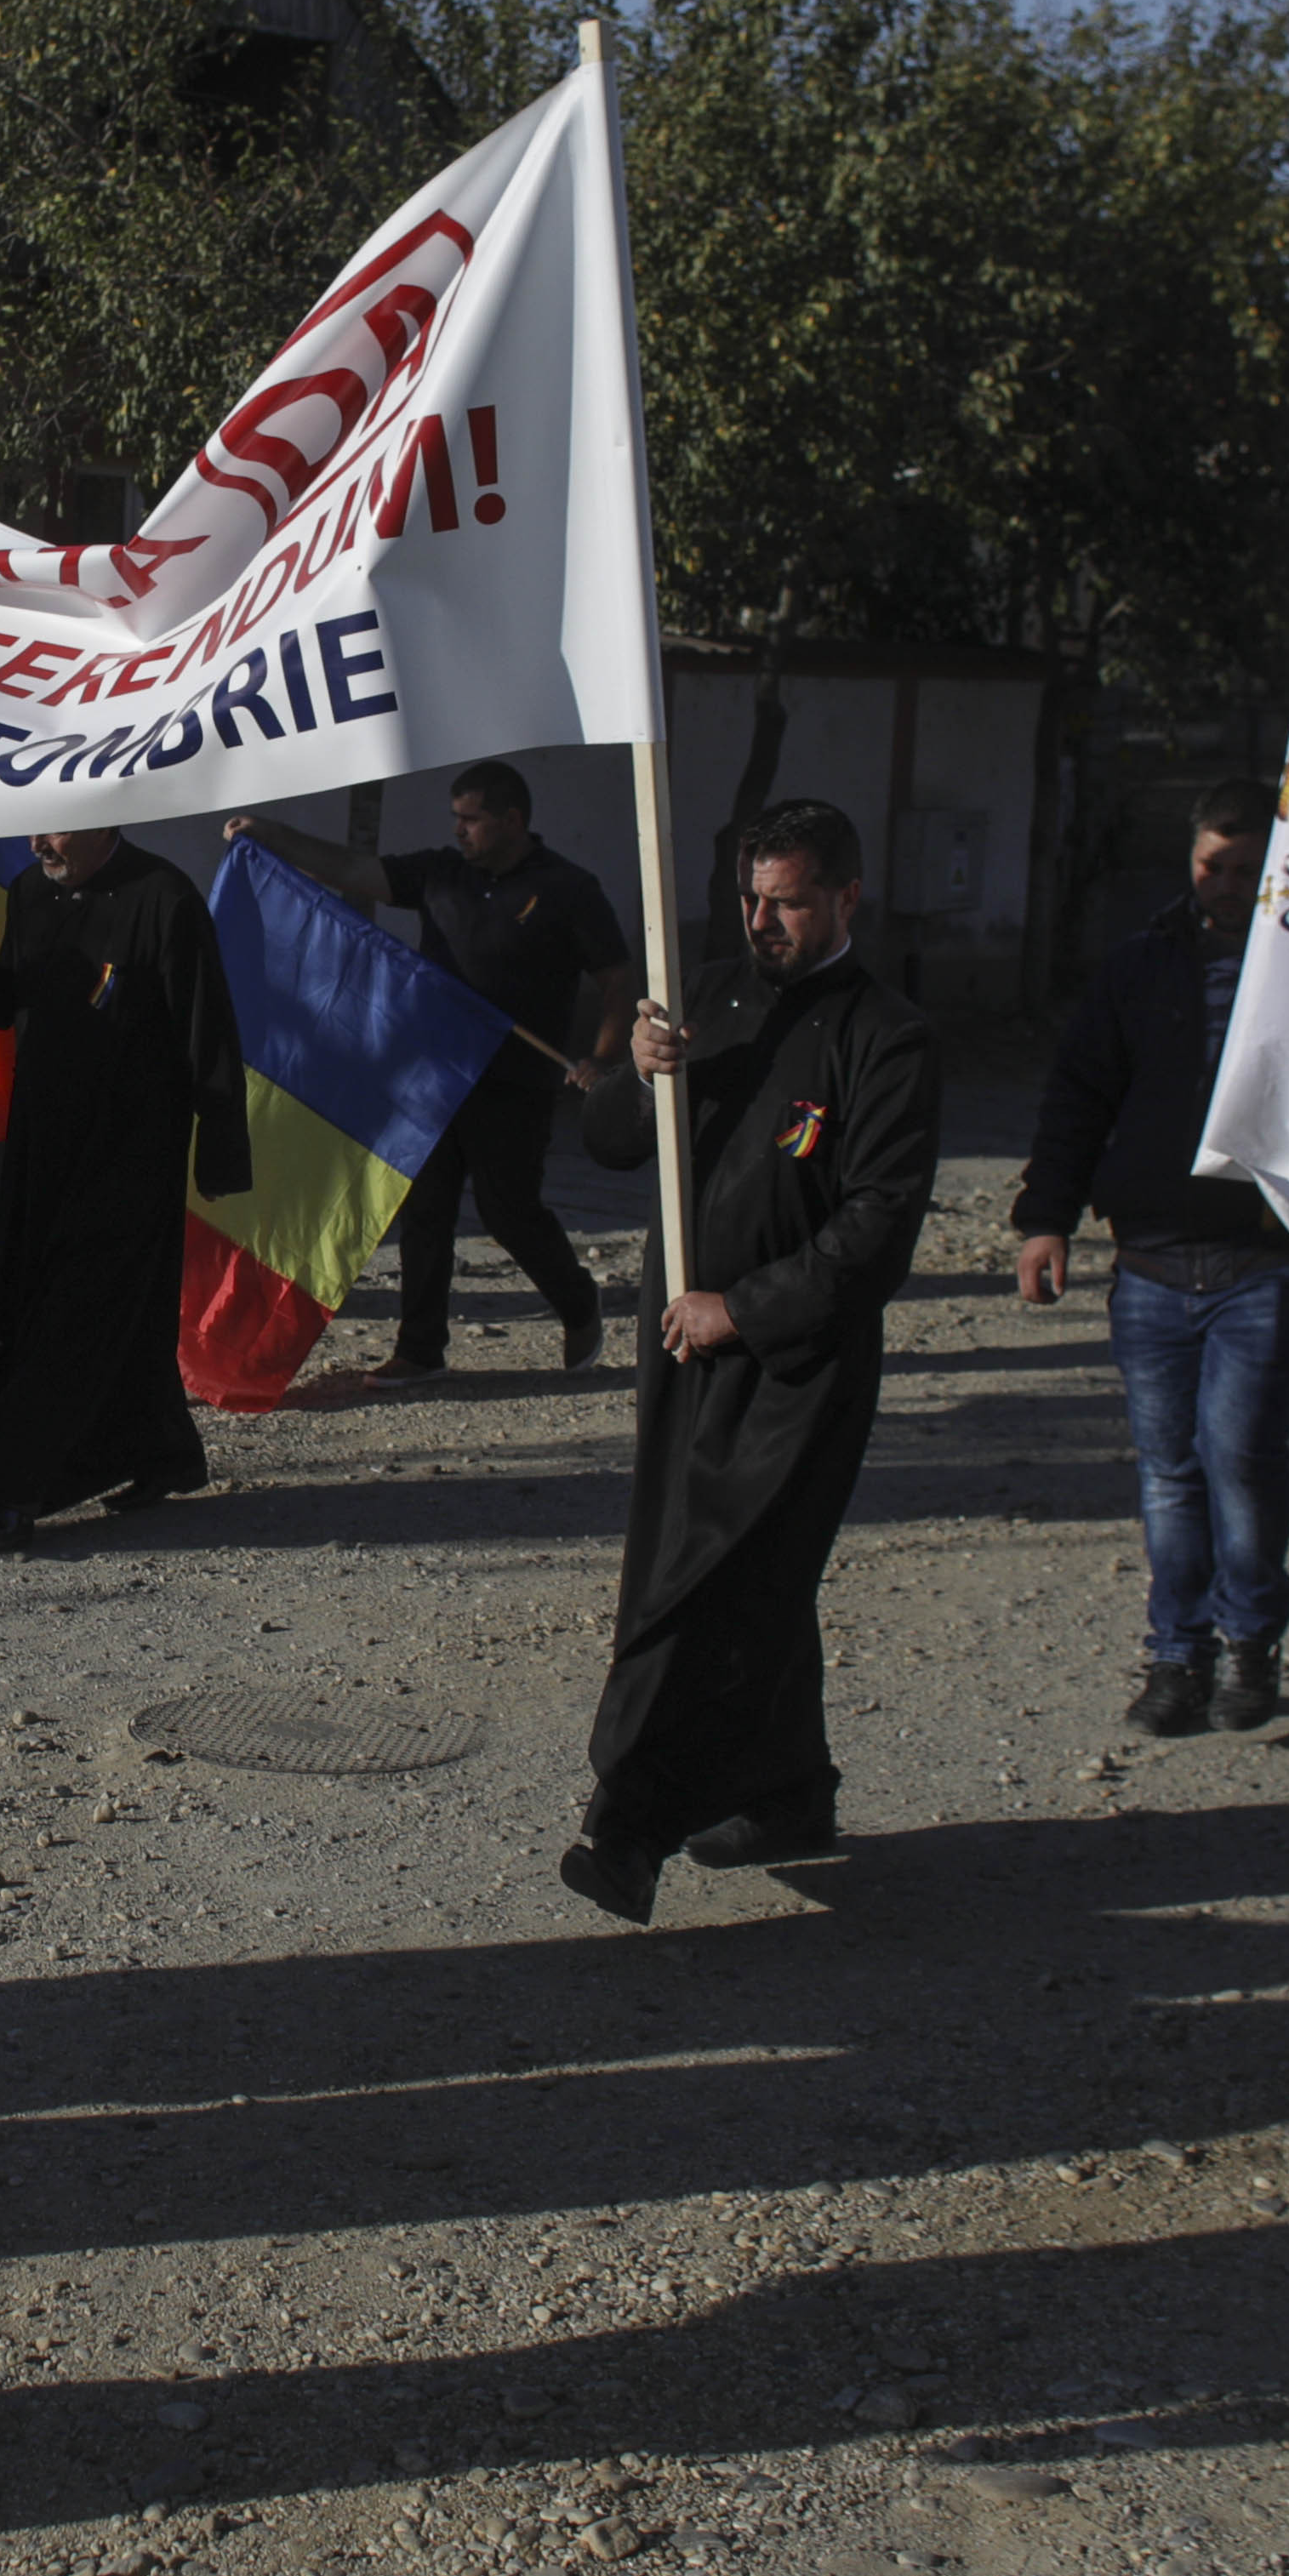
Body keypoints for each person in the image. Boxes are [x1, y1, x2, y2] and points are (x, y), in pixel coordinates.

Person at [552, 800, 941, 1926]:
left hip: (793, 1363)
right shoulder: (708, 995)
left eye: (788, 902)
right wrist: (636, 1064)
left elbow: (876, 1228)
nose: (762, 921)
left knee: (710, 1585)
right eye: (750, 899)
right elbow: (611, 1142)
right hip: (681, 1346)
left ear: (844, 900)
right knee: (726, 1570)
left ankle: (627, 1823)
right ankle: (785, 1791)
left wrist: (746, 1308)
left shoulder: (887, 1035)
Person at [1011, 780, 1289, 1738]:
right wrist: (1046, 1218)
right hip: (1150, 1260)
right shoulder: (1140, 967)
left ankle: (1249, 1641)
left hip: (1263, 1262)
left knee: (1239, 1455)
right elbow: (1079, 1096)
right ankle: (1175, 1656)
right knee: (1168, 1470)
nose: (1226, 885)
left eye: (1246, 869)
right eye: (1211, 867)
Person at [225, 759, 636, 1380]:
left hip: (516, 1084)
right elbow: (352, 870)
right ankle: (420, 1349)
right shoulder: (440, 874)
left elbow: (615, 982)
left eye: (471, 820)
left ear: (512, 820)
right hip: (432, 1077)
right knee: (425, 1210)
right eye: (455, 819)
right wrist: (273, 834)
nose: (459, 832)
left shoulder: (567, 888)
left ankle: (577, 1301)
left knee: (508, 1212)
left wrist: (601, 1059)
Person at [0, 823, 249, 1548]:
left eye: (54, 828)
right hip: (46, 1137)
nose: (36, 844)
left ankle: (3, 1485)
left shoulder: (165, 898)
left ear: (102, 820)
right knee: (75, 1303)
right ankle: (164, 1451)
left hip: (131, 1144)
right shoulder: (32, 892)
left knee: (78, 1313)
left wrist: (218, 1153)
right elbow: (26, 997)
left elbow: (206, 1030)